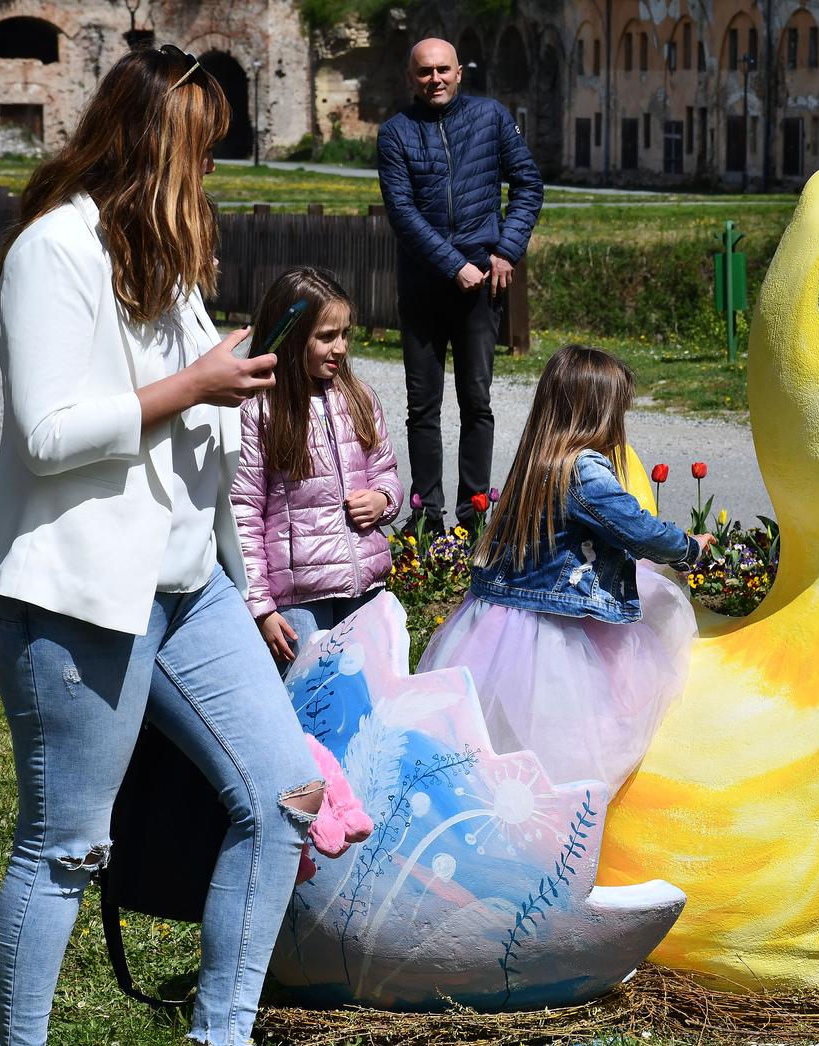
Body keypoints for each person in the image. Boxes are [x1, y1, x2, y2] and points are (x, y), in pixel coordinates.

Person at [0, 45, 323, 1045]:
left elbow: (195, 434)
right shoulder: (57, 248)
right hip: (77, 595)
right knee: (66, 847)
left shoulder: (162, 264)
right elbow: (47, 435)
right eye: (198, 153)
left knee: (285, 792)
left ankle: (221, 1033)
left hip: (187, 584)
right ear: (150, 149)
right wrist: (192, 389)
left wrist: (233, 388)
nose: (207, 175)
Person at [419, 345, 710, 790]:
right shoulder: (584, 471)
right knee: (570, 738)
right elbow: (638, 530)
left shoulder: (538, 459)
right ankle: (566, 819)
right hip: (553, 631)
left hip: (502, 622)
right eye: (617, 412)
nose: (621, 424)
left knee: (502, 735)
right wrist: (690, 548)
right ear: (597, 414)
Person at [376, 36, 543, 533]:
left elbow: (528, 183)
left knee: (477, 402)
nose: (435, 79)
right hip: (425, 288)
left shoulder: (491, 118)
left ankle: (474, 516)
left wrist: (507, 250)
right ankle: (426, 517)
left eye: (443, 70)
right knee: (422, 407)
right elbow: (402, 213)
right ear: (411, 78)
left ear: (459, 73)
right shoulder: (395, 133)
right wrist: (453, 265)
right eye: (425, 72)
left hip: (482, 288)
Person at [231, 266, 402, 669]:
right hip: (297, 599)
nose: (340, 347)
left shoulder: (360, 398)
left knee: (367, 698)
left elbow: (385, 470)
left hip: (364, 588)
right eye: (326, 336)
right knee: (306, 703)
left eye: (345, 333)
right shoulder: (258, 409)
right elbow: (243, 512)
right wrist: (260, 606)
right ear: (290, 338)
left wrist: (383, 499)